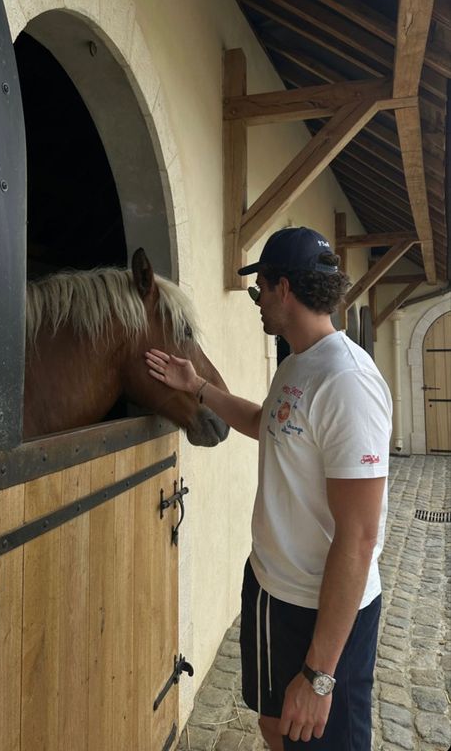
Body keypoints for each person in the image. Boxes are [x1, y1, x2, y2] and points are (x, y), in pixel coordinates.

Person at [145, 227, 392, 750]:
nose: (257, 305)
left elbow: (360, 535)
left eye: (259, 293)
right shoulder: (296, 363)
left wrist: (321, 674)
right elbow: (265, 422)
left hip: (321, 611)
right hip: (270, 591)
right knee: (274, 725)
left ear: (283, 290)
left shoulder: (346, 382)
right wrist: (198, 388)